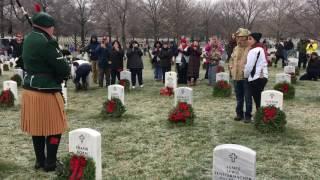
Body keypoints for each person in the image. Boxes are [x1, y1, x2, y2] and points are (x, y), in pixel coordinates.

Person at [20, 11, 70, 171]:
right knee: (55, 128)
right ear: (47, 27)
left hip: (29, 89)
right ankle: (50, 162)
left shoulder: (28, 39)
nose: (53, 30)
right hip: (46, 90)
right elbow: (63, 69)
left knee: (37, 127)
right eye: (52, 27)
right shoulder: (48, 42)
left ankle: (40, 161)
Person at [229, 28, 252, 122]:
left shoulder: (250, 48)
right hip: (236, 76)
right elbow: (231, 60)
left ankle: (248, 115)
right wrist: (231, 68)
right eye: (238, 37)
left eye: (241, 37)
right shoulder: (236, 48)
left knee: (247, 97)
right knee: (239, 97)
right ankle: (239, 114)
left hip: (246, 77)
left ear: (247, 38)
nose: (239, 39)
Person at [244, 32, 268, 114]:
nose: (248, 41)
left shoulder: (253, 50)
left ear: (255, 40)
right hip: (263, 76)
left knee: (258, 101)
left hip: (255, 78)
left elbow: (249, 66)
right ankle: (261, 116)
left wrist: (246, 75)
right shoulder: (261, 48)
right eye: (248, 39)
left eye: (250, 39)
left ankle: (261, 117)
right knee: (260, 99)